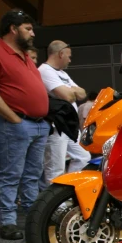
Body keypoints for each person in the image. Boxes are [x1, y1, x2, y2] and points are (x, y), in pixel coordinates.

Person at [0, 9, 50, 240]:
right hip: (17, 124)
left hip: (38, 125)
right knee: (11, 175)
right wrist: (15, 119)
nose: (32, 34)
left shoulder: (25, 56)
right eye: (28, 29)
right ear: (13, 28)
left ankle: (31, 214)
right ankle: (7, 222)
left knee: (32, 175)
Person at [38, 40, 91, 190]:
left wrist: (69, 91)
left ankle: (66, 190)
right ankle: (54, 205)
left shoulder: (62, 74)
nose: (70, 59)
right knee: (55, 169)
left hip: (69, 126)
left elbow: (82, 93)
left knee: (84, 157)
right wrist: (70, 91)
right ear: (61, 54)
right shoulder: (45, 71)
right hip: (57, 126)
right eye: (69, 56)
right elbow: (68, 96)